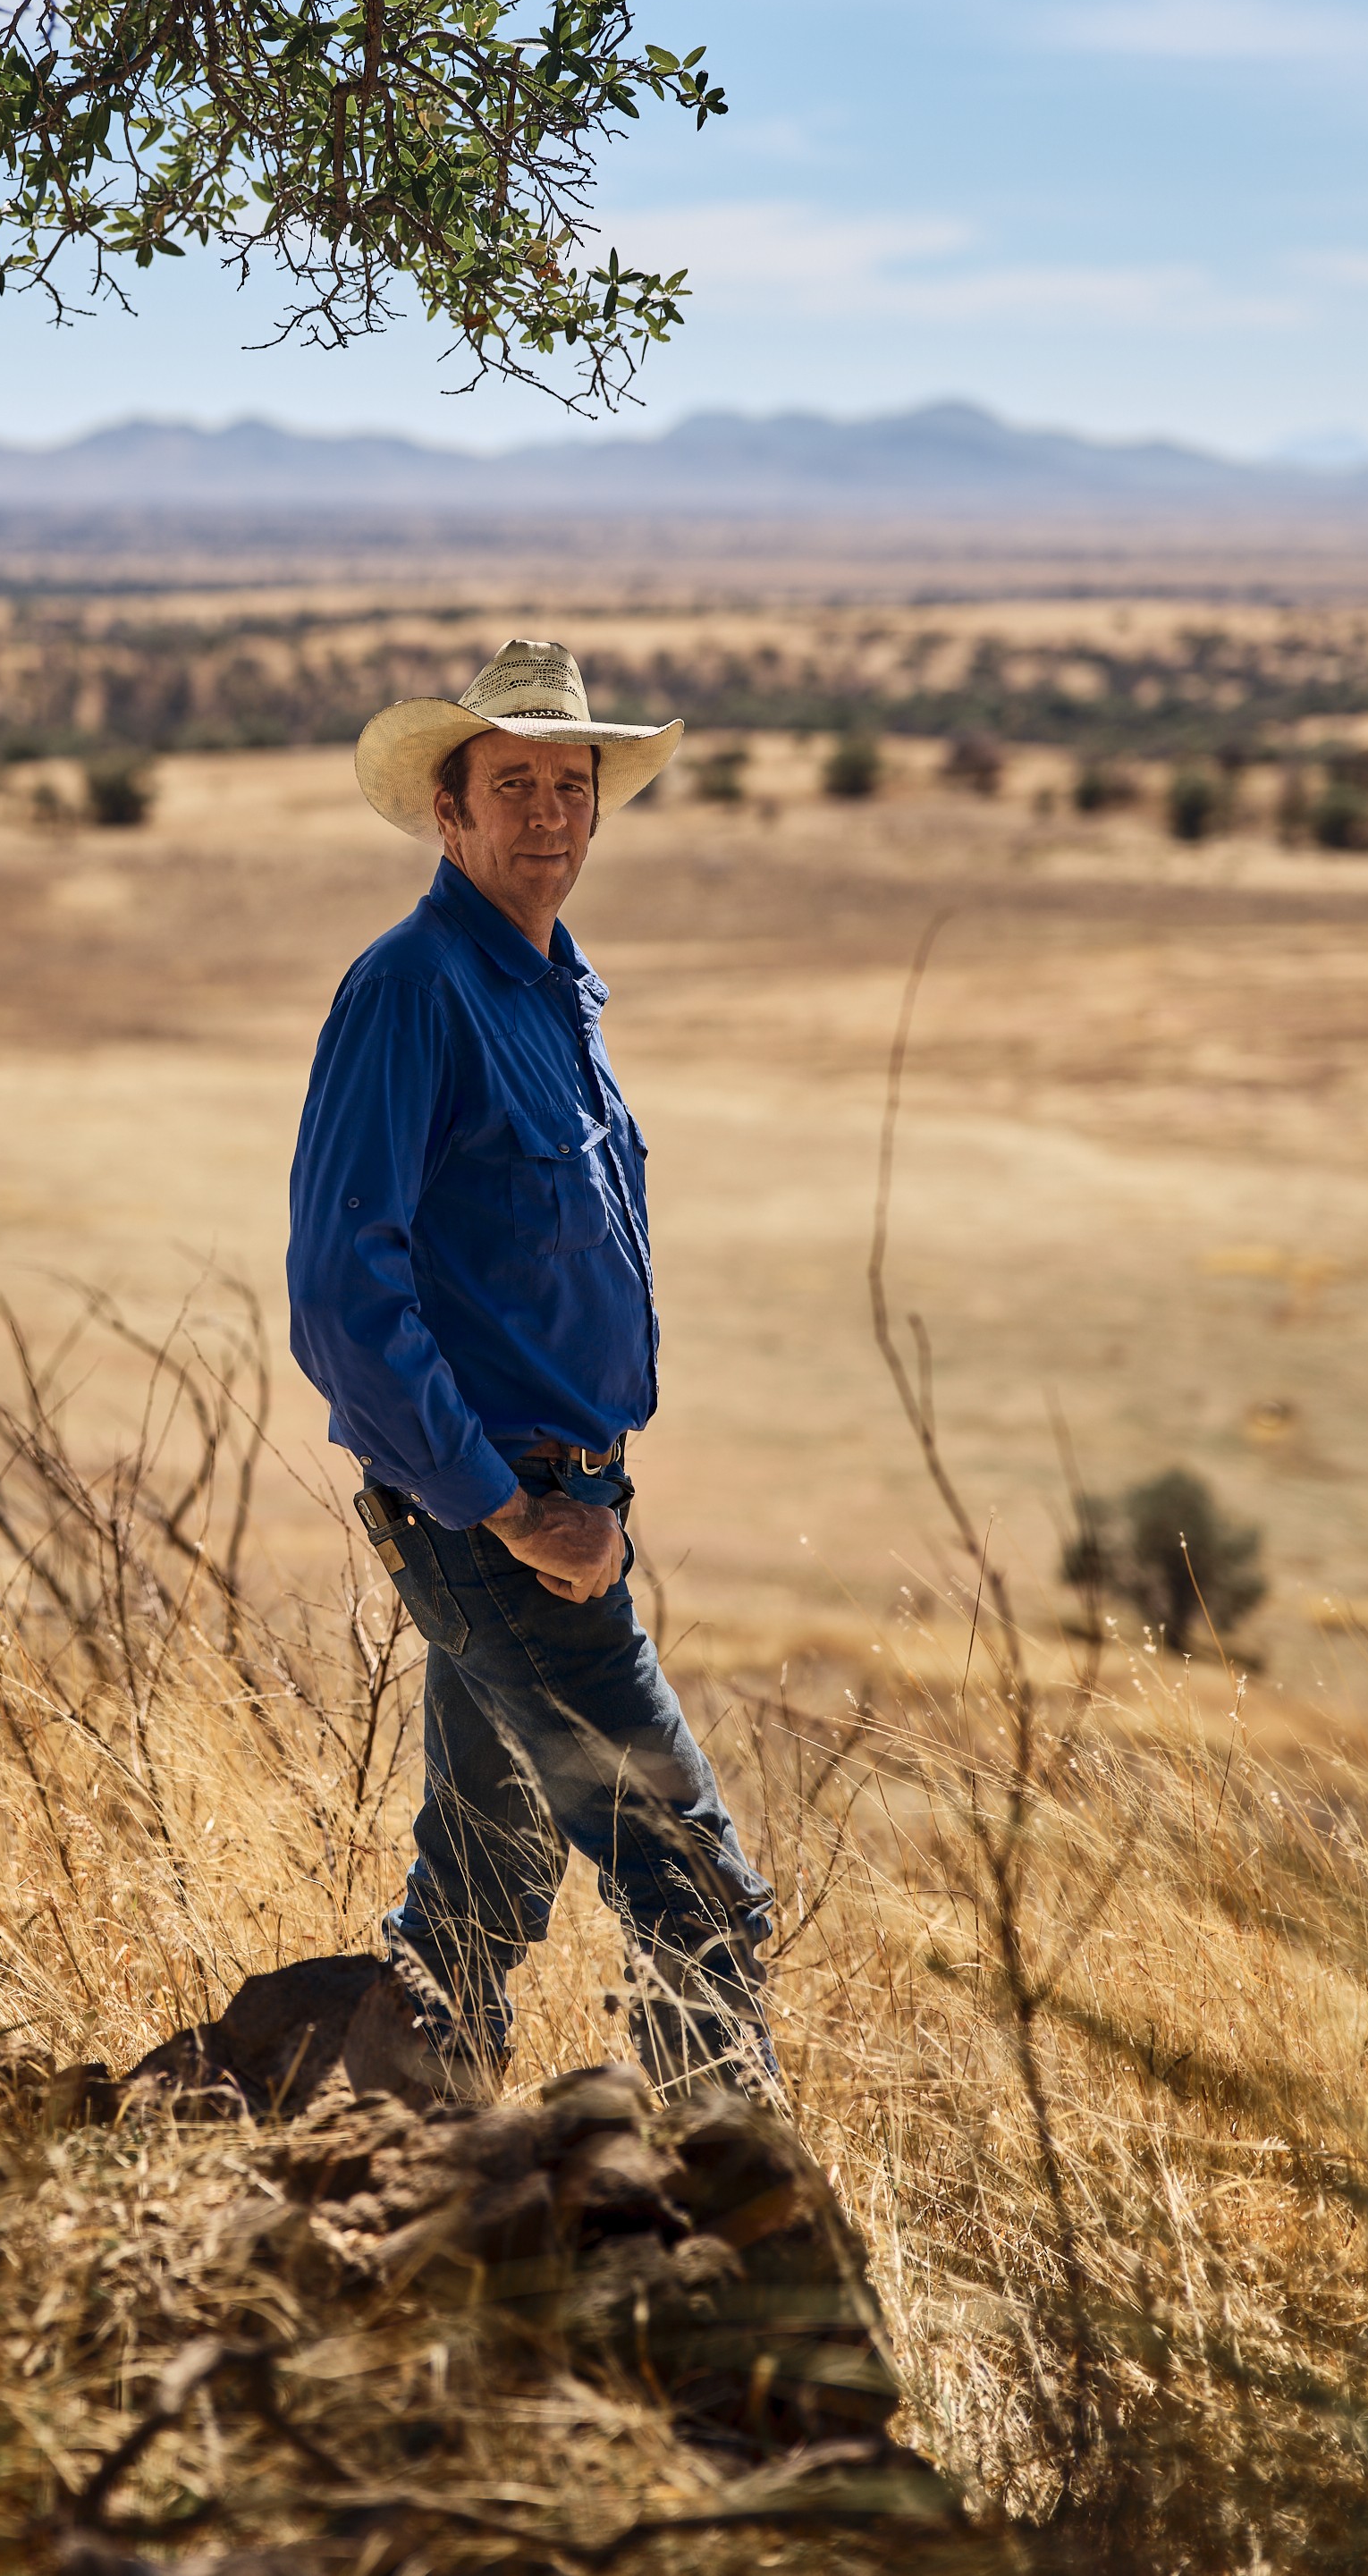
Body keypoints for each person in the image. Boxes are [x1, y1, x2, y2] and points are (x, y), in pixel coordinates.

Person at [288, 638, 780, 2099]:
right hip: (504, 1526)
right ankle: (729, 2247)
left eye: (574, 785)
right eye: (515, 786)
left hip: (555, 1507)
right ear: (450, 814)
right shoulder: (415, 989)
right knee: (702, 1902)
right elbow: (339, 1290)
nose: (551, 816)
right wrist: (507, 1509)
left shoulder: (556, 991)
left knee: (480, 1898)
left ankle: (400, 2184)